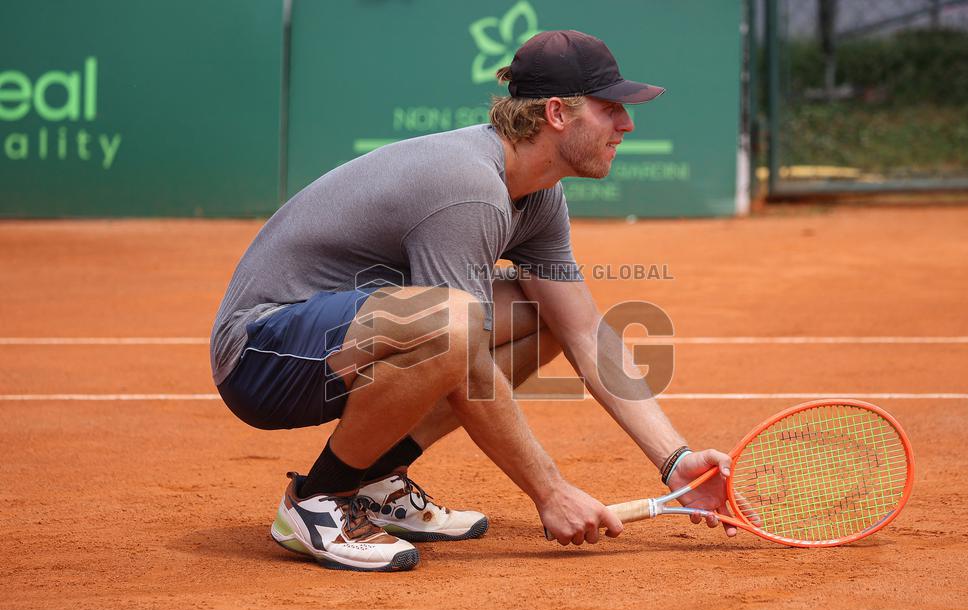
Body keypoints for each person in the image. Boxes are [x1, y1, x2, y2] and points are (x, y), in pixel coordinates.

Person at [210, 30, 737, 573]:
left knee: (545, 317)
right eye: (610, 110)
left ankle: (371, 480)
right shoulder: (470, 188)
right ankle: (318, 500)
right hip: (261, 353)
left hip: (342, 337)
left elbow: (583, 330)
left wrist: (675, 462)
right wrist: (550, 491)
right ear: (557, 113)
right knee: (457, 324)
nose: (627, 125)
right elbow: (461, 356)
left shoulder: (538, 196)